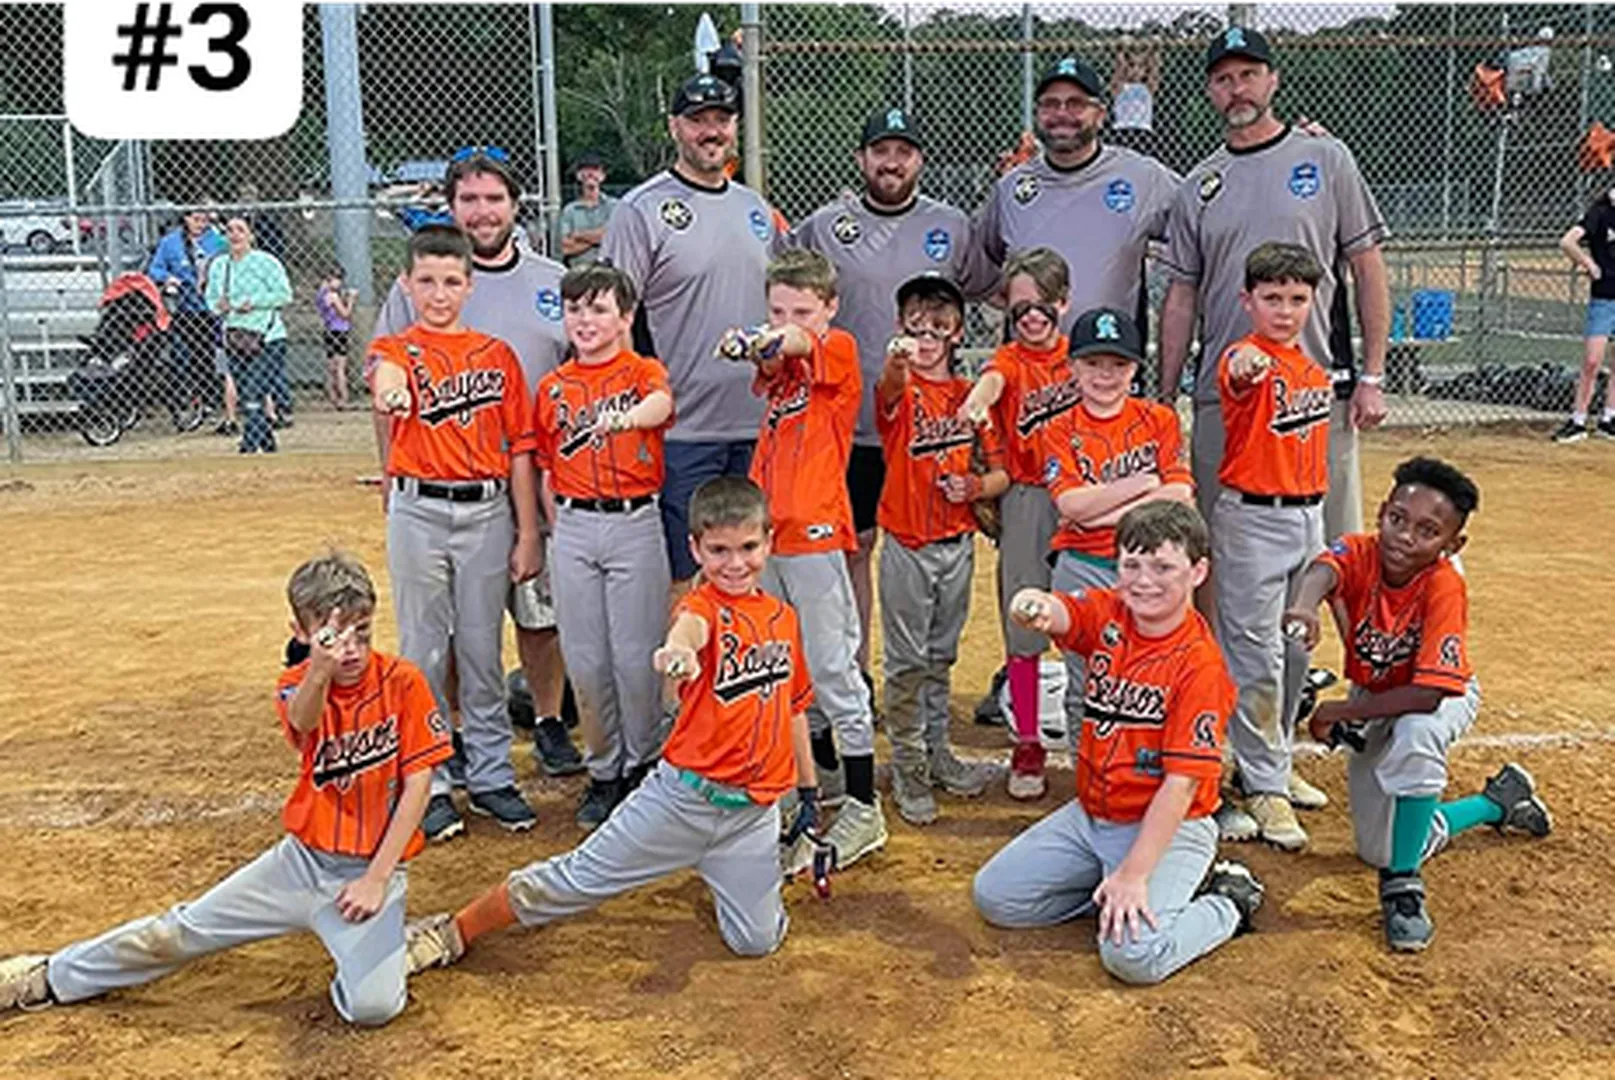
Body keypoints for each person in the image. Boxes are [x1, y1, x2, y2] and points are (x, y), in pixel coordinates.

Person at [0, 552, 451, 1024]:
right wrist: (319, 669)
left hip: (370, 872)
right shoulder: (297, 683)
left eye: (363, 632)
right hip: (300, 864)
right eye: (334, 637)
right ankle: (49, 975)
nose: (352, 650)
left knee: (373, 1009)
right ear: (301, 634)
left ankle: (393, 950)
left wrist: (377, 879)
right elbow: (304, 720)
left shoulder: (402, 681)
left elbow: (419, 783)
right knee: (179, 931)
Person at [402, 476, 818, 974]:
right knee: (571, 881)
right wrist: (680, 651)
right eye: (718, 550)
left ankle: (725, 870)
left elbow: (793, 707)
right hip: (682, 802)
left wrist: (808, 797)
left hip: (751, 817)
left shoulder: (783, 619)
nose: (735, 563)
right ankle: (454, 930)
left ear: (769, 541)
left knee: (756, 942)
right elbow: (690, 630)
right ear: (695, 549)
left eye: (748, 547)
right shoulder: (701, 607)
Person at [972, 501, 1262, 986]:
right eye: (1131, 565)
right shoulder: (1113, 614)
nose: (1144, 580)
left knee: (1133, 958)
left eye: (1163, 567)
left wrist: (1134, 874)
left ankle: (1227, 900)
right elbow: (1068, 613)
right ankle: (1121, 891)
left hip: (1169, 826)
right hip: (1093, 816)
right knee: (998, 898)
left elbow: (1181, 786)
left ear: (1198, 572)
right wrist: (1037, 604)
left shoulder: (1200, 667)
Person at [371, 148, 581, 781]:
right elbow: (386, 385)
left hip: (540, 473)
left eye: (494, 199)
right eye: (469, 200)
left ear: (514, 205)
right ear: (453, 206)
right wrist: (390, 475)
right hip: (454, 474)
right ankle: (452, 733)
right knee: (458, 622)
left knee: (539, 612)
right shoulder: (421, 282)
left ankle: (547, 719)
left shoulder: (552, 279)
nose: (483, 211)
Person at [1284, 457, 1552, 952]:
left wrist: (1335, 712)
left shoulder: (1444, 583)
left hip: (1439, 695)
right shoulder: (1363, 550)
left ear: (1453, 545)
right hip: (1377, 696)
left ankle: (1403, 888)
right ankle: (1497, 802)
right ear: (1383, 512)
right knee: (1375, 847)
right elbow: (1324, 568)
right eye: (1398, 519)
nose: (1405, 536)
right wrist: (1304, 606)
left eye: (1428, 531)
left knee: (1417, 735)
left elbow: (1429, 694)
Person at [1158, 26, 1391, 545]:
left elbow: (1367, 264)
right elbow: (1181, 297)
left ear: (1273, 81)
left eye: (1248, 75)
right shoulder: (1199, 184)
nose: (1237, 89)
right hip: (1226, 396)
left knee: (1329, 549)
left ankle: (1305, 632)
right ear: (1209, 92)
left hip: (1314, 389)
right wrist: (1166, 395)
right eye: (1222, 79)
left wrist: (1373, 375)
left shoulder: (1327, 158)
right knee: (1218, 547)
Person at [787, 107, 982, 694]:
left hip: (926, 429)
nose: (891, 162)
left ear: (919, 159)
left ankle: (921, 684)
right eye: (880, 151)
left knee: (921, 550)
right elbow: (792, 289)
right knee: (855, 548)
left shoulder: (952, 225)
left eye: (903, 151)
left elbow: (978, 291)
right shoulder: (826, 225)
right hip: (850, 426)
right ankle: (855, 675)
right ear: (861, 159)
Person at [369, 225, 544, 840]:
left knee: (480, 648)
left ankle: (493, 774)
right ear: (407, 284)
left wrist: (527, 533)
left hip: (486, 511)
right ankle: (431, 780)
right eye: (427, 282)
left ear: (470, 286)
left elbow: (521, 447)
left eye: (451, 281)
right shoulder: (396, 347)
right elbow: (385, 381)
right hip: (418, 510)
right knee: (423, 649)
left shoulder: (495, 355)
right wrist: (393, 397)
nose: (439, 294)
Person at [718, 249, 887, 872]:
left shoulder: (835, 348)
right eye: (778, 307)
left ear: (828, 309)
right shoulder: (784, 375)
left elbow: (790, 342)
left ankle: (866, 808)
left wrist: (766, 334)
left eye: (804, 309)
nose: (791, 320)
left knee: (834, 669)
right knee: (792, 673)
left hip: (815, 535)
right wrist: (761, 345)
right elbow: (773, 359)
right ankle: (820, 788)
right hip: (773, 538)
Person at [600, 74, 780, 597]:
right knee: (688, 576)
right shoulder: (643, 208)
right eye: (698, 120)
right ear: (675, 126)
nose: (711, 131)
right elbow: (618, 320)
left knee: (750, 572)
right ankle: (682, 680)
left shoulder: (755, 209)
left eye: (721, 120)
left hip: (758, 424)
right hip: (684, 430)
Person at [533, 263, 675, 829]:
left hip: (633, 521)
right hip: (573, 525)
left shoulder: (641, 371)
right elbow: (546, 467)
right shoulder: (553, 386)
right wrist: (553, 533)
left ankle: (641, 764)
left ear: (625, 317)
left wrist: (623, 420)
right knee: (588, 661)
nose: (585, 320)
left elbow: (660, 406)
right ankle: (604, 769)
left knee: (636, 656)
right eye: (575, 309)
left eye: (597, 309)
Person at [1206, 242, 1332, 850]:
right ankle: (1264, 788)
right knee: (1255, 655)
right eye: (1272, 298)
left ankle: (1272, 763)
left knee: (1297, 649)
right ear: (1247, 301)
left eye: (1297, 299)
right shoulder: (1245, 354)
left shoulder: (1309, 367)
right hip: (1253, 520)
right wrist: (1248, 369)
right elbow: (1236, 372)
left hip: (1307, 517)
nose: (1285, 310)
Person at [875, 273, 1007, 825]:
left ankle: (937, 754)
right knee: (906, 663)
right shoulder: (901, 391)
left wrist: (975, 488)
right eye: (916, 326)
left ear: (956, 333)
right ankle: (908, 765)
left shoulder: (968, 398)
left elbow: (1001, 474)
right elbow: (888, 390)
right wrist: (898, 360)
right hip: (908, 544)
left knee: (940, 655)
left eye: (939, 327)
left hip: (957, 546)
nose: (927, 337)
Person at [957, 246, 1078, 800]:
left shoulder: (1082, 357)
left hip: (1083, 496)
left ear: (1063, 303)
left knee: (1087, 614)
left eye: (1042, 304)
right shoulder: (1008, 360)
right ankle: (1028, 740)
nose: (1031, 316)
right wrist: (977, 404)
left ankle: (1091, 735)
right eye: (1020, 305)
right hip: (1029, 497)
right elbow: (990, 385)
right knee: (1026, 618)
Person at [1043, 307, 1194, 746]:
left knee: (1156, 674)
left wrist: (1097, 507)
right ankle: (1087, 781)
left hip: (1150, 568)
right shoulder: (1059, 428)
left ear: (1134, 369)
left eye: (1117, 365)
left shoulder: (1158, 420)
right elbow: (1069, 504)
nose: (1105, 376)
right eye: (1092, 364)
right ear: (1073, 368)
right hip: (1081, 565)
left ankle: (1145, 777)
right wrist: (1141, 484)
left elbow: (1181, 493)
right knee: (1086, 678)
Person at [970, 57, 1180, 334]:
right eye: (1050, 104)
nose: (1061, 113)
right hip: (1032, 369)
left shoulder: (1142, 176)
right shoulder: (1012, 187)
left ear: (1101, 114)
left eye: (1076, 103)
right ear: (1037, 113)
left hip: (1108, 365)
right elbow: (977, 263)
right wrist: (1014, 301)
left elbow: (1200, 226)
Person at [205, 214, 293, 455]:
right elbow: (211, 299)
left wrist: (253, 302)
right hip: (235, 337)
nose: (234, 235)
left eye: (240, 230)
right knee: (246, 394)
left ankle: (248, 447)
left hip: (267, 336)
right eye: (230, 230)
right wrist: (219, 305)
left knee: (254, 390)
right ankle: (267, 444)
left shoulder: (266, 262)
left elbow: (284, 295)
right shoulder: (219, 265)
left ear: (251, 236)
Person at [147, 208, 225, 429]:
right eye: (196, 219)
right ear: (186, 218)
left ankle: (209, 400)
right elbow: (155, 269)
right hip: (183, 309)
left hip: (209, 309)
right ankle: (185, 398)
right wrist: (168, 278)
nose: (200, 224)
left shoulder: (218, 241)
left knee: (205, 354)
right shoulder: (171, 242)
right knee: (182, 356)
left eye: (204, 219)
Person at [1552, 187, 1615, 442]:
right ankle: (1578, 419)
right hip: (1604, 297)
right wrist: (1589, 264)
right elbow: (1567, 241)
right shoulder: (1600, 213)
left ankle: (1609, 418)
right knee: (1592, 361)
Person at [557, 152, 617, 266]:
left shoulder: (614, 206)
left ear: (602, 176)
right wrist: (598, 239)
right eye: (585, 170)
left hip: (609, 270)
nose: (590, 173)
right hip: (579, 273)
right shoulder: (569, 210)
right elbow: (566, 248)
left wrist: (578, 235)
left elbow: (614, 237)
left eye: (595, 169)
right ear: (578, 176)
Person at [317, 268, 358, 410]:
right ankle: (343, 398)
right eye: (338, 279)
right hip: (339, 331)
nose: (340, 283)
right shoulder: (333, 295)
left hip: (328, 330)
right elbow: (345, 314)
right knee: (340, 367)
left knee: (331, 367)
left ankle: (332, 397)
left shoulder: (321, 294)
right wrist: (351, 300)